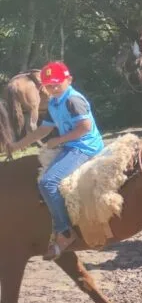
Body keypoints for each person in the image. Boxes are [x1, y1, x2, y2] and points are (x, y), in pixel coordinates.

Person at [7, 62, 106, 259]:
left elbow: (85, 127)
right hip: (70, 146)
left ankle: (65, 231)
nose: (52, 88)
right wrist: (18, 145)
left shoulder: (73, 100)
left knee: (48, 181)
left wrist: (58, 140)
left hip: (84, 147)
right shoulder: (54, 102)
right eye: (49, 85)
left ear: (68, 80)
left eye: (56, 84)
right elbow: (43, 130)